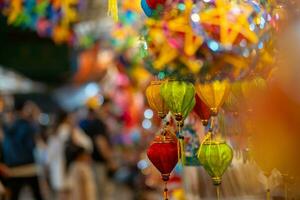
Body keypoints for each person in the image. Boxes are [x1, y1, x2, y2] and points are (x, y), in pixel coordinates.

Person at [1, 101, 43, 200]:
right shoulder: (27, 126)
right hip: (29, 166)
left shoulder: (6, 128)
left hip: (12, 168)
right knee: (37, 195)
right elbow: (32, 146)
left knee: (13, 196)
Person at [47, 111, 93, 200]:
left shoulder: (54, 132)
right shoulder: (69, 130)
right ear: (67, 118)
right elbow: (87, 144)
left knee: (62, 194)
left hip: (58, 168)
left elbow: (49, 155)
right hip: (70, 167)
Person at [79, 105, 116, 200]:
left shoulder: (88, 123)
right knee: (101, 192)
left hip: (92, 162)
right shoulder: (99, 124)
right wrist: (110, 160)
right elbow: (101, 143)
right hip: (99, 162)